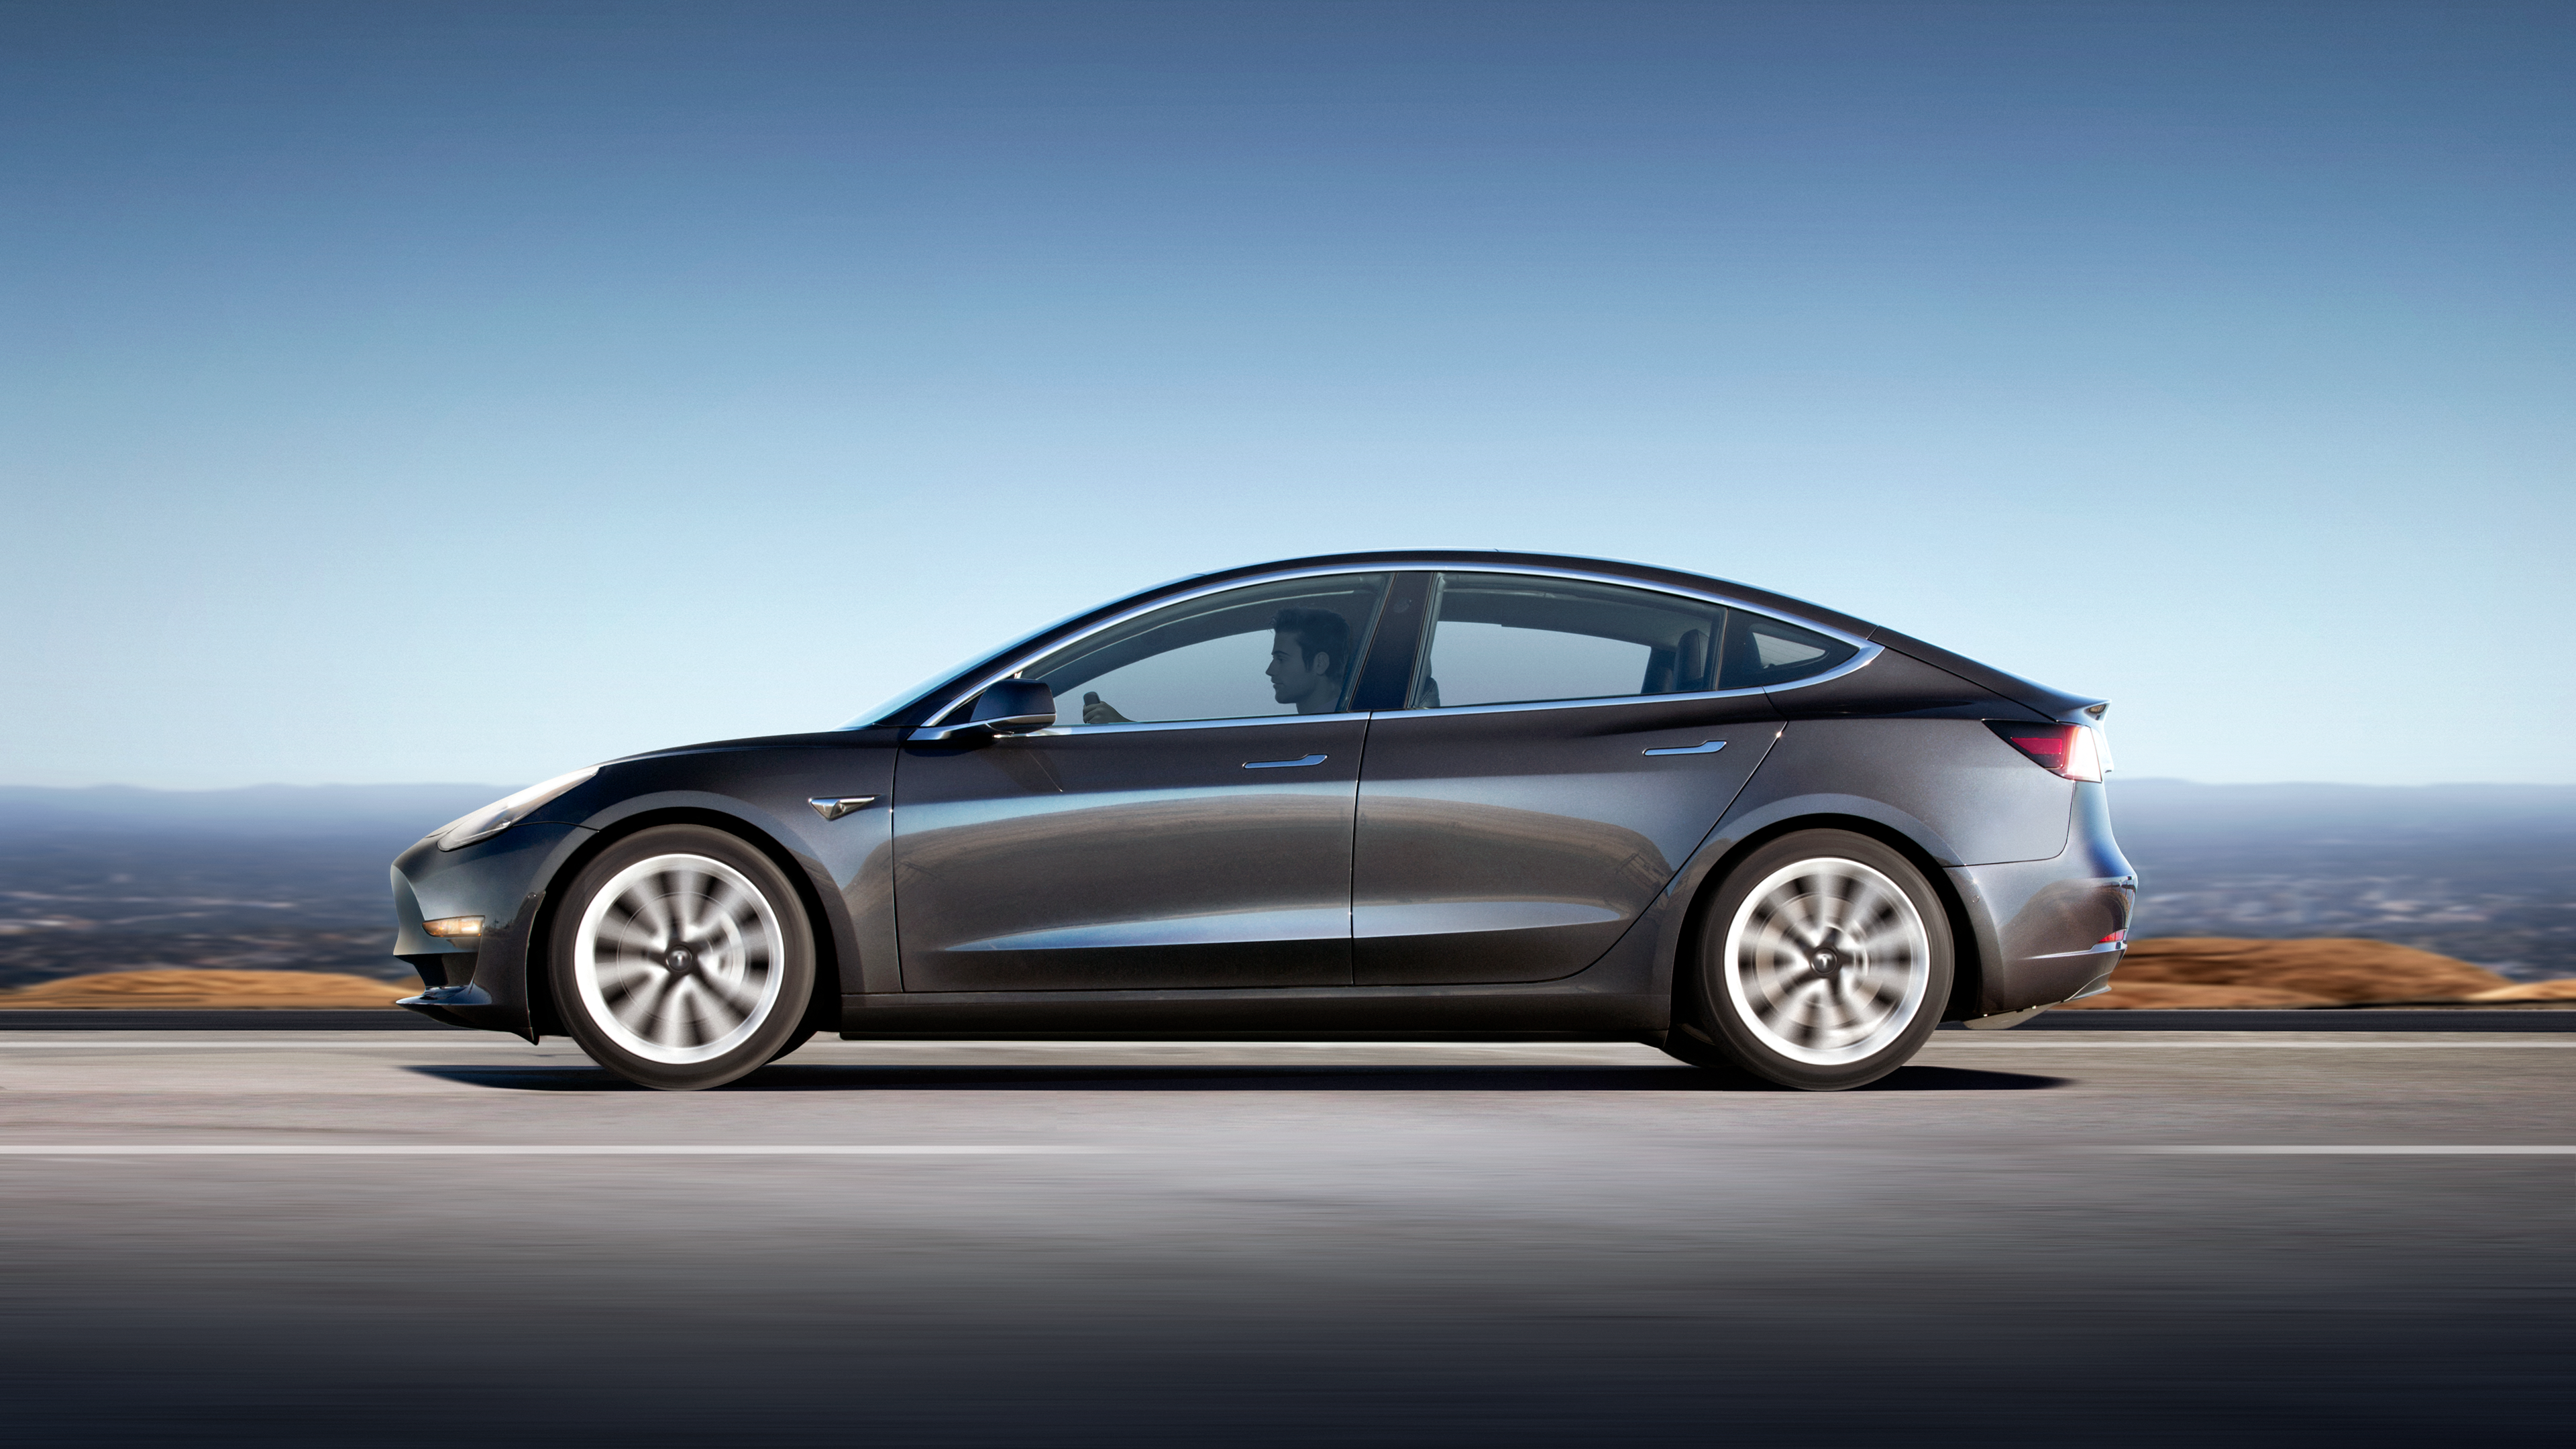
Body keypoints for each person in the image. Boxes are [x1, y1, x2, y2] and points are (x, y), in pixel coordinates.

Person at [1083, 605, 1352, 724]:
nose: (1270, 670)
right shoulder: (1329, 724)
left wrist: (1126, 728)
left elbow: (1205, 757)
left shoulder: (1332, 733)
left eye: (1281, 659)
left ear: (1319, 663)